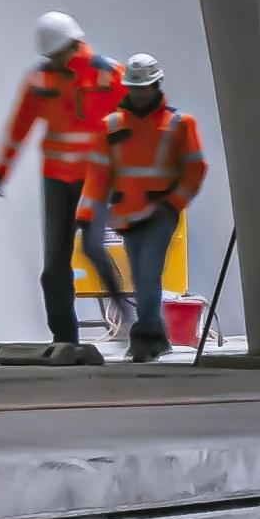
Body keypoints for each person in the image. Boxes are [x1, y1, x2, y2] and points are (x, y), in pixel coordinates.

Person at [0, 12, 125, 347]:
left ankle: (130, 319)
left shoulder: (109, 75)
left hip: (96, 177)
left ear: (72, 44)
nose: (52, 61)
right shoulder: (40, 80)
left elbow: (144, 114)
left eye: (56, 54)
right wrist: (1, 169)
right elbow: (19, 127)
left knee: (94, 247)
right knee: (53, 269)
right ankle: (65, 340)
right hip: (57, 181)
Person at [91, 55, 208, 363]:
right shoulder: (113, 125)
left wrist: (173, 204)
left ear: (157, 84)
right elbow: (101, 173)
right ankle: (155, 338)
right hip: (128, 215)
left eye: (144, 87)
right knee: (142, 277)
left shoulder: (179, 124)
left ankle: (146, 339)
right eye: (135, 87)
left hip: (160, 213)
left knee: (146, 273)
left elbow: (196, 168)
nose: (140, 93)